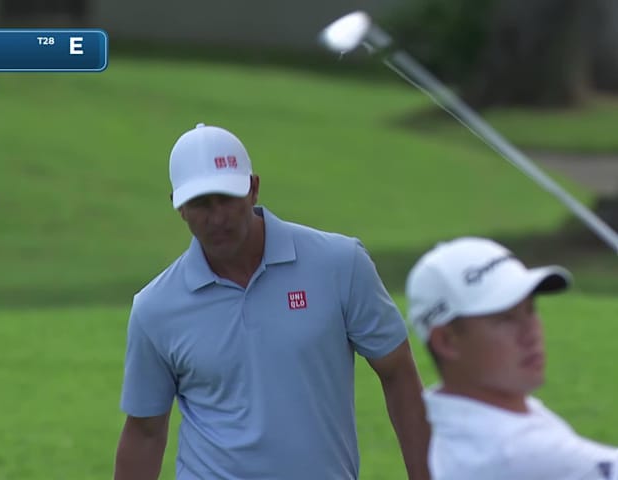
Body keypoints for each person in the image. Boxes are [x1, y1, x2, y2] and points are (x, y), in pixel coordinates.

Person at [113, 122, 430, 480]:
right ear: (179, 206)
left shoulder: (340, 264)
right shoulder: (155, 308)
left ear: (253, 189)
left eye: (226, 198)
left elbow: (398, 372)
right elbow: (145, 432)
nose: (217, 218)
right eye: (200, 204)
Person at [405, 236, 618, 480]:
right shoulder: (517, 454)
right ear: (446, 341)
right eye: (505, 318)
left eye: (530, 309)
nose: (531, 333)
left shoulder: (472, 416)